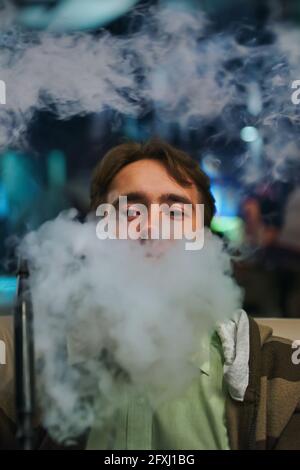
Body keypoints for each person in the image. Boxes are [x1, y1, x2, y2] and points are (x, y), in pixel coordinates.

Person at [1, 139, 300, 450]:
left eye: (175, 212)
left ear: (205, 239)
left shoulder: (275, 375)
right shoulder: (34, 364)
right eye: (130, 210)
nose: (152, 227)